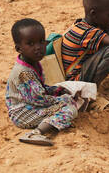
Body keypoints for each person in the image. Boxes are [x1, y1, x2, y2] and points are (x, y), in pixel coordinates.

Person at [6, 18, 82, 146]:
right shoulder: (24, 72)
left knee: (67, 99)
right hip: (22, 113)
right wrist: (61, 99)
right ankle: (36, 133)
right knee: (69, 109)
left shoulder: (33, 63)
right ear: (19, 49)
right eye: (30, 44)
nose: (38, 48)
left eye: (41, 42)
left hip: (29, 104)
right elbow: (37, 99)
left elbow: (39, 88)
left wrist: (57, 90)